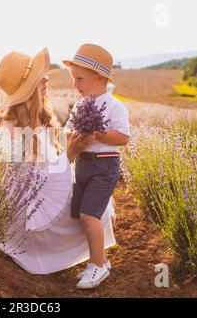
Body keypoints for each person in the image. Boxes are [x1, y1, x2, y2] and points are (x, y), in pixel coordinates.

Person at [0, 47, 117, 280]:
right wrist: (70, 154)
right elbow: (35, 188)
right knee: (96, 207)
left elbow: (48, 172)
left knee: (95, 195)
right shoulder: (7, 135)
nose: (46, 79)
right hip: (34, 222)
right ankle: (97, 261)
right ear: (27, 91)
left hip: (45, 198)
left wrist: (71, 151)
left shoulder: (35, 117)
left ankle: (98, 258)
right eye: (39, 78)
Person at [63, 43, 131, 288]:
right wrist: (72, 136)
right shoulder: (81, 105)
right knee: (81, 215)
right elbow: (68, 130)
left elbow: (123, 138)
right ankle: (99, 259)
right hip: (82, 164)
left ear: (99, 77)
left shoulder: (113, 105)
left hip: (104, 166)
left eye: (79, 79)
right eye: (73, 79)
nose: (75, 85)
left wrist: (97, 132)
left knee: (89, 215)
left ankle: (97, 266)